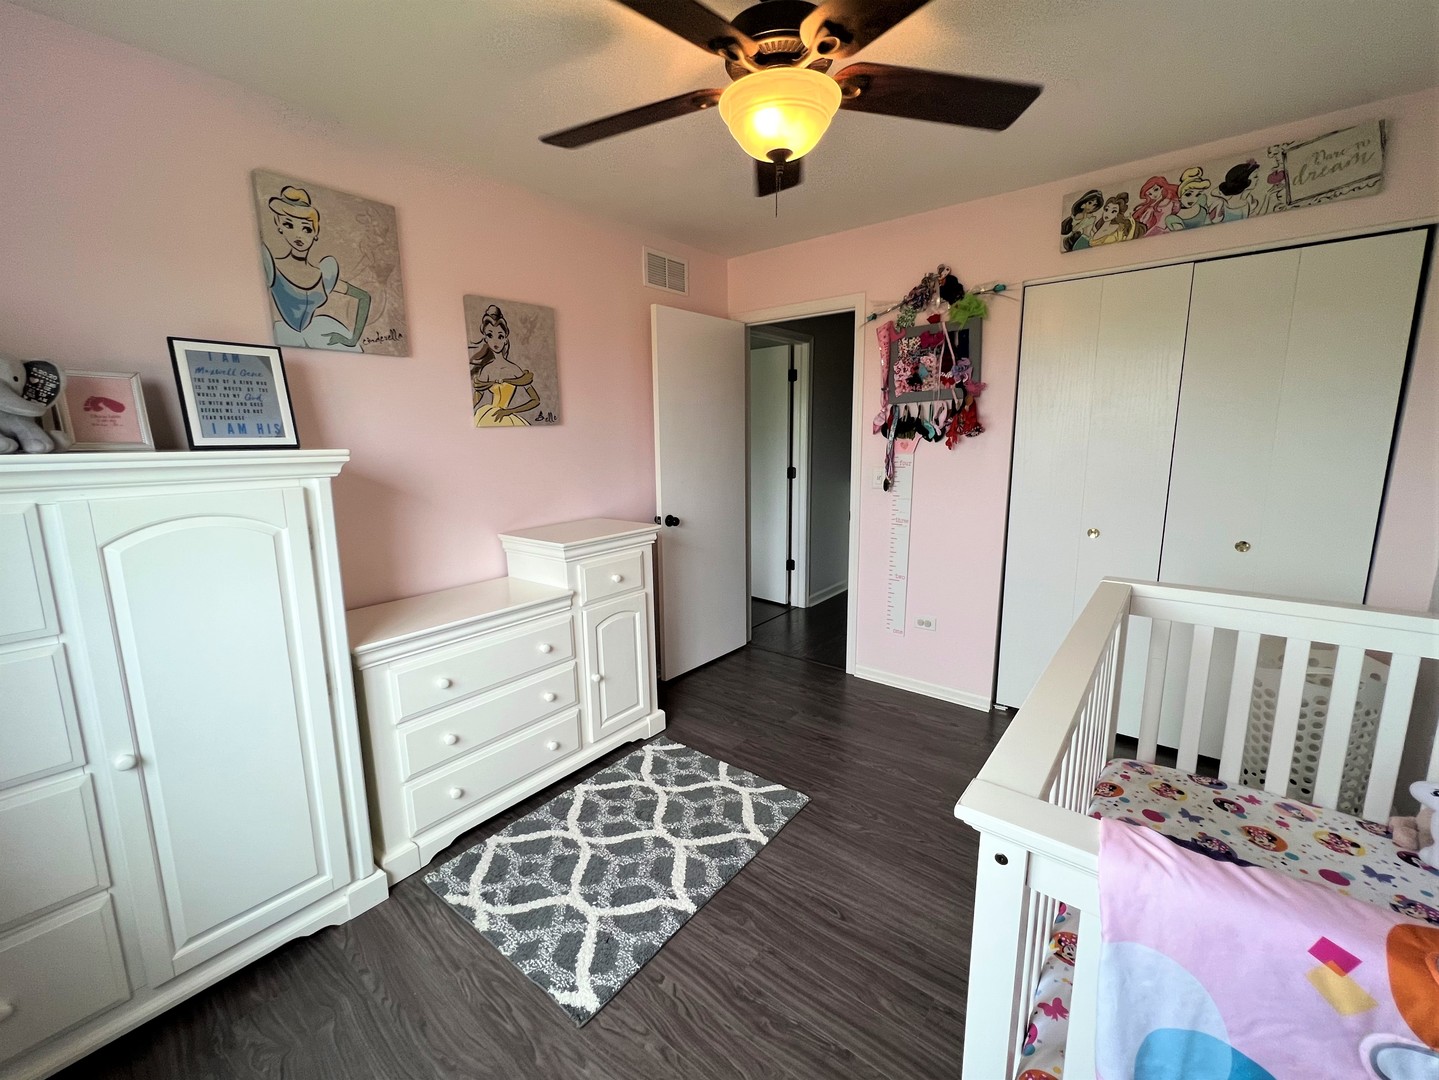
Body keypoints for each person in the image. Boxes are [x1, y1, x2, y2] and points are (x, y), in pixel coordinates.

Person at [262, 186, 371, 351]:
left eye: (306, 228)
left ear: (315, 232)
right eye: (289, 225)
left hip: (317, 334)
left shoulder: (324, 275)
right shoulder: (272, 267)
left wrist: (352, 339)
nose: (299, 235)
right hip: (287, 335)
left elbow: (364, 297)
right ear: (279, 226)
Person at [470, 305, 540, 427]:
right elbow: (476, 399)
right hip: (488, 415)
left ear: (505, 339)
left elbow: (536, 400)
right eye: (490, 335)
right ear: (486, 339)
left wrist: (510, 411)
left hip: (506, 415)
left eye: (500, 336)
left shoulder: (514, 370)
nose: (496, 342)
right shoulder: (486, 370)